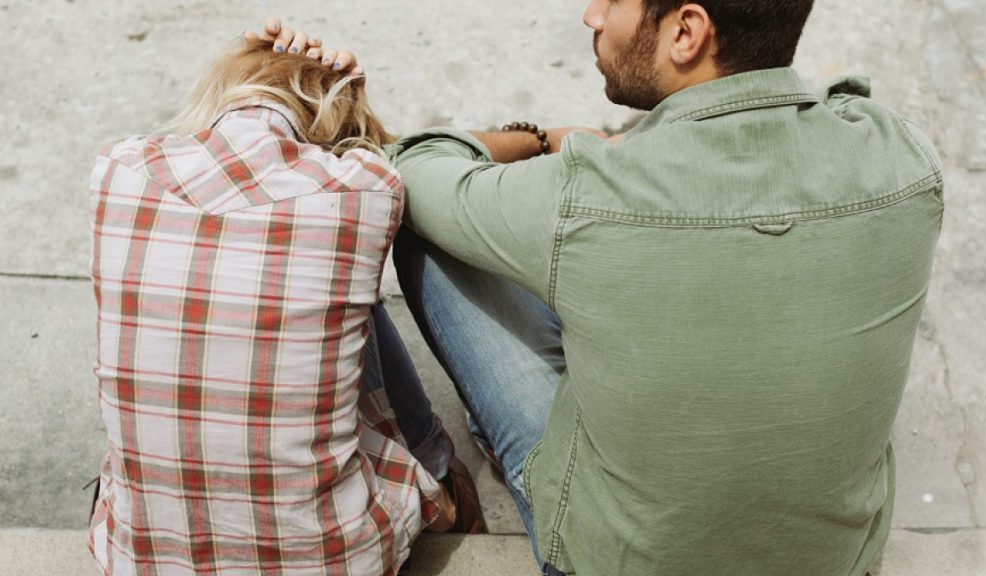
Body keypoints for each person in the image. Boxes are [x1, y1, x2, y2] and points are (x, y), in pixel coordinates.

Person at [266, 1, 945, 573]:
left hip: (608, 561)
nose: (592, 15)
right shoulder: (902, 157)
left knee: (436, 233)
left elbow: (410, 166)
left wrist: (541, 140)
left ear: (686, 31)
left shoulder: (588, 191)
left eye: (614, 1)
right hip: (836, 563)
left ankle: (457, 467)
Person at [87, 37, 485, 576]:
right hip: (336, 561)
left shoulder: (120, 170)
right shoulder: (362, 190)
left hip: (142, 559)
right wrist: (346, 92)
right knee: (340, 295)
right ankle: (442, 480)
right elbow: (387, 161)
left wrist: (252, 60)